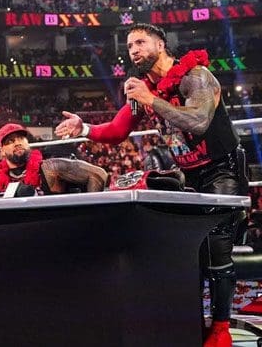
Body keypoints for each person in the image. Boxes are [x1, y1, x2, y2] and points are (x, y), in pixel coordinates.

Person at [55, 23, 248, 347]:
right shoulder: (143, 89)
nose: (134, 50)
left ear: (161, 44)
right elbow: (118, 130)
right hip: (189, 173)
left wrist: (152, 100)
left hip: (221, 169)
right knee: (186, 249)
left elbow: (199, 122)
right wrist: (84, 127)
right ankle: (190, 321)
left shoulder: (196, 76)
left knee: (217, 244)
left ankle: (221, 328)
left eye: (141, 42)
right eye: (130, 45)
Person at [0, 123, 108, 198]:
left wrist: (87, 217)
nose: (18, 143)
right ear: (2, 150)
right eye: (10, 141)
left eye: (21, 138)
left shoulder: (51, 168)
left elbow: (98, 174)